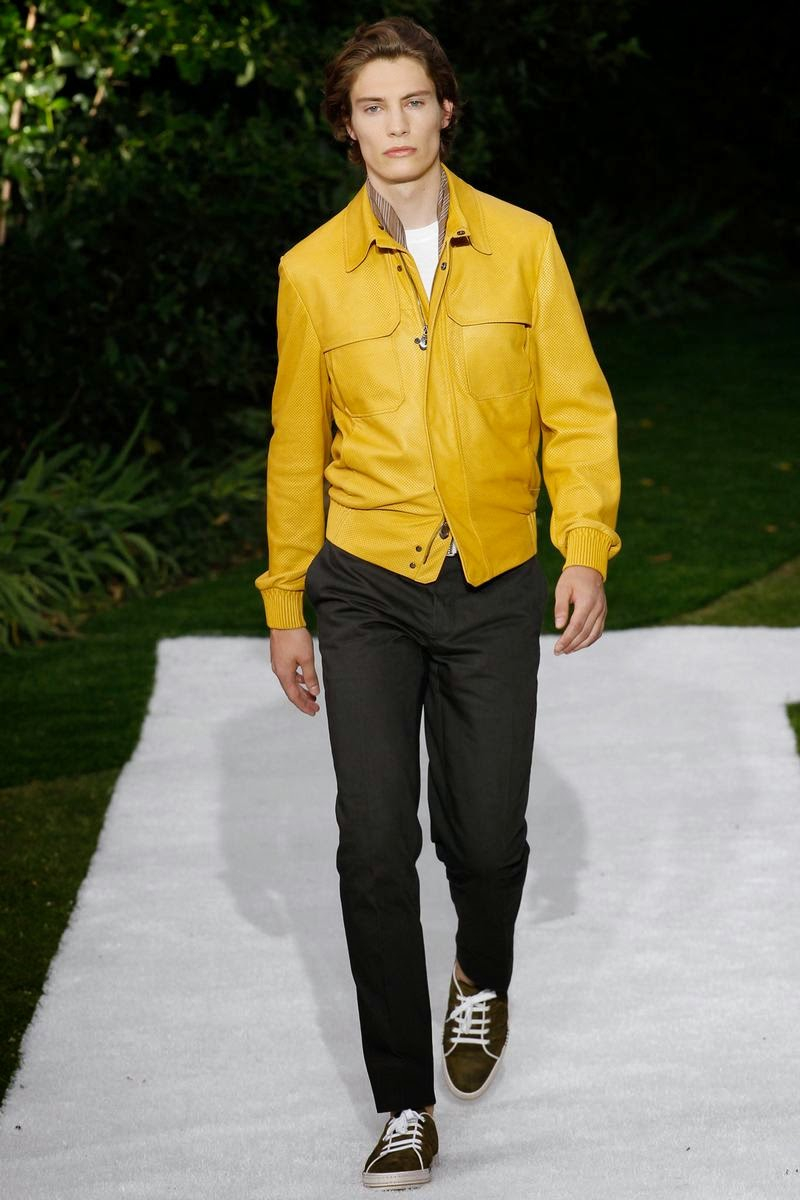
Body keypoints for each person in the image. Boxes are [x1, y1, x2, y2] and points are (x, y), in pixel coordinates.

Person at [255, 15, 621, 1190]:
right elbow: (293, 451)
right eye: (372, 107)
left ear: (445, 110)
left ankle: (480, 972)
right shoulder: (311, 272)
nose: (396, 125)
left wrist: (583, 545)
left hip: (495, 577)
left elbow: (576, 411)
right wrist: (284, 603)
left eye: (413, 101)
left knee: (487, 839)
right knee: (372, 845)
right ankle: (402, 1104)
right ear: (346, 124)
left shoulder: (523, 246)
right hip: (364, 584)